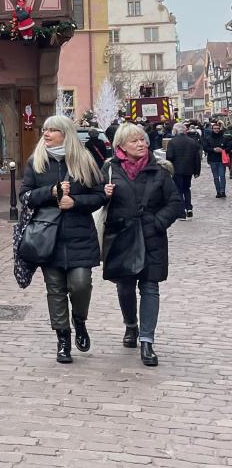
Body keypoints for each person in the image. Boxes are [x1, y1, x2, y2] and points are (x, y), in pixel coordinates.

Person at [20, 115, 105, 364]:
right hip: (48, 237)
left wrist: (75, 202)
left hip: (79, 235)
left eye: (53, 130)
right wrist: (50, 192)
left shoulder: (85, 161)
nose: (46, 134)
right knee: (55, 290)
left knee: (80, 284)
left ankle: (79, 319)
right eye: (45, 130)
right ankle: (63, 339)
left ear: (66, 134)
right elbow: (24, 197)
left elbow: (100, 196)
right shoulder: (36, 162)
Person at [102, 122, 183, 366]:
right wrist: (103, 194)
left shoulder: (158, 171)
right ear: (121, 146)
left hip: (151, 238)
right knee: (125, 286)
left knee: (150, 287)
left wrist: (157, 223)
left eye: (142, 140)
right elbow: (94, 199)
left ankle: (147, 341)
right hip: (122, 236)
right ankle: (131, 326)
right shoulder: (108, 170)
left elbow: (175, 202)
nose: (140, 144)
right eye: (134, 141)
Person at [165, 122, 201, 219]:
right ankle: (189, 208)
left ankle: (181, 212)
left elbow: (169, 156)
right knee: (186, 188)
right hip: (189, 169)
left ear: (175, 130)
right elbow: (197, 157)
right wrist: (197, 171)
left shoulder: (172, 142)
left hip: (177, 170)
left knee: (178, 190)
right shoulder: (192, 141)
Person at [201, 121, 232, 198]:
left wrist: (222, 150)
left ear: (220, 129)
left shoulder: (224, 138)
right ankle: (218, 191)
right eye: (215, 128)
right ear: (212, 129)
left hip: (222, 160)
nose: (216, 130)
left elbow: (229, 147)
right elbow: (205, 148)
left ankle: (222, 191)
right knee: (215, 177)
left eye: (218, 128)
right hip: (212, 160)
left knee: (222, 176)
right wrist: (213, 149)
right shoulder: (208, 138)